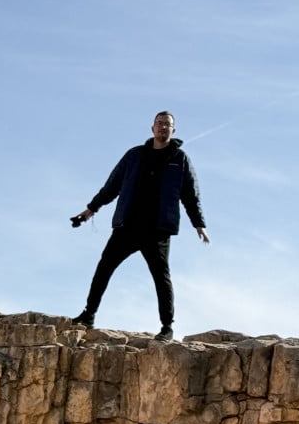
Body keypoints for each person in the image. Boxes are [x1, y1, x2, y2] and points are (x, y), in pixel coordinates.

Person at [69, 111, 208, 341]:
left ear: (174, 131)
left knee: (161, 277)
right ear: (152, 128)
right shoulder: (135, 156)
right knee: (104, 267)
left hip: (157, 230)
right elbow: (112, 186)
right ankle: (88, 315)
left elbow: (190, 195)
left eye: (168, 125)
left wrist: (199, 224)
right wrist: (90, 210)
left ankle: (166, 327)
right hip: (128, 226)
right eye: (160, 124)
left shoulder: (180, 159)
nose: (163, 128)